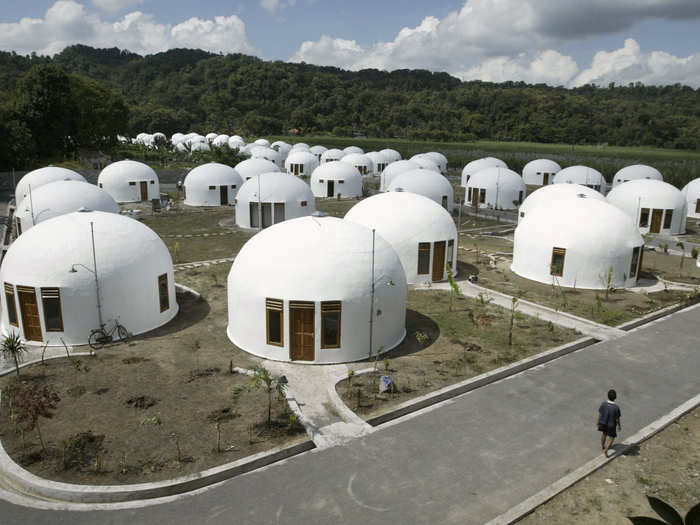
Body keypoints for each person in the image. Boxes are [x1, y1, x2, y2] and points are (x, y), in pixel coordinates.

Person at [598, 389, 622, 457]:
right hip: (611, 425)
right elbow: (617, 419)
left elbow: (600, 413)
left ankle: (603, 446)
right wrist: (619, 426)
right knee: (612, 437)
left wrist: (598, 421)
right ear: (615, 397)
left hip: (603, 423)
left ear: (607, 396)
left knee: (604, 434)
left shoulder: (603, 404)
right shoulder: (616, 407)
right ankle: (606, 450)